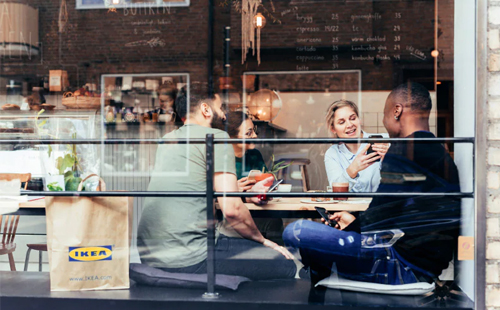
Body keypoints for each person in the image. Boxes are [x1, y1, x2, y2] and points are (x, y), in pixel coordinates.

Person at [283, 82, 461, 285]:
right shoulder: (435, 150)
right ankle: (325, 281)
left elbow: (378, 218)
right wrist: (353, 223)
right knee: (322, 242)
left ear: (396, 111)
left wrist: (349, 227)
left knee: (295, 231)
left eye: (384, 114)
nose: (384, 122)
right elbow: (393, 212)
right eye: (342, 121)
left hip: (401, 266)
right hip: (421, 264)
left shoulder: (407, 151)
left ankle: (321, 285)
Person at [137, 90, 296, 280]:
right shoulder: (216, 137)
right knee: (285, 264)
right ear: (206, 109)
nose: (223, 114)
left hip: (150, 254)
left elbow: (193, 188)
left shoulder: (167, 140)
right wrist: (263, 240)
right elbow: (232, 210)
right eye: (220, 107)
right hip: (191, 255)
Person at [224, 111, 283, 242]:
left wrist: (266, 187)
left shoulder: (254, 154)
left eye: (254, 131)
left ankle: (278, 258)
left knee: (274, 221)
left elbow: (268, 180)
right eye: (248, 133)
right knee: (272, 223)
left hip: (256, 211)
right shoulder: (221, 159)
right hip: (230, 218)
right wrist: (233, 191)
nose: (255, 136)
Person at [324, 100, 389, 192]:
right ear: (333, 129)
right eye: (342, 122)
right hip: (351, 207)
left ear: (359, 120)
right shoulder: (332, 154)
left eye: (353, 118)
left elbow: (403, 183)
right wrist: (352, 170)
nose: (350, 125)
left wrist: (391, 160)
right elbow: (337, 192)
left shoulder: (385, 141)